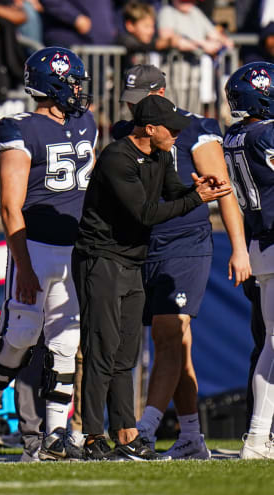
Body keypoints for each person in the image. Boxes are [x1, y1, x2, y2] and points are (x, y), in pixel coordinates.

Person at [72, 94, 233, 461]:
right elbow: (145, 213)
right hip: (101, 258)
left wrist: (199, 188)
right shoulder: (117, 158)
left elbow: (172, 191)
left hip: (132, 260)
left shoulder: (159, 155)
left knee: (126, 353)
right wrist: (197, 201)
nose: (178, 134)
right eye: (172, 128)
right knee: (101, 347)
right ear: (150, 128)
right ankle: (93, 433)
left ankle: (125, 433)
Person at [113, 65, 251, 460]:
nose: (131, 107)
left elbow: (222, 189)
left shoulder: (195, 128)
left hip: (184, 241)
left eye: (139, 100)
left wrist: (238, 248)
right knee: (178, 346)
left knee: (168, 335)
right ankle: (191, 435)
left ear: (161, 92)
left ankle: (146, 430)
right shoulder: (128, 131)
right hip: (145, 242)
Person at [0, 46, 95, 463]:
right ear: (54, 85)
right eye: (73, 82)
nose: (79, 90)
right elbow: (10, 205)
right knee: (19, 340)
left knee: (65, 341)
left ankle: (55, 435)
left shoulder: (85, 122)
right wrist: (21, 264)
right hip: (35, 247)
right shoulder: (18, 128)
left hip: (72, 248)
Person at [224, 62, 274, 460]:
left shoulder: (235, 135)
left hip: (260, 244)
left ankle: (258, 437)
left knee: (271, 347)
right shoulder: (264, 135)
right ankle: (257, 438)